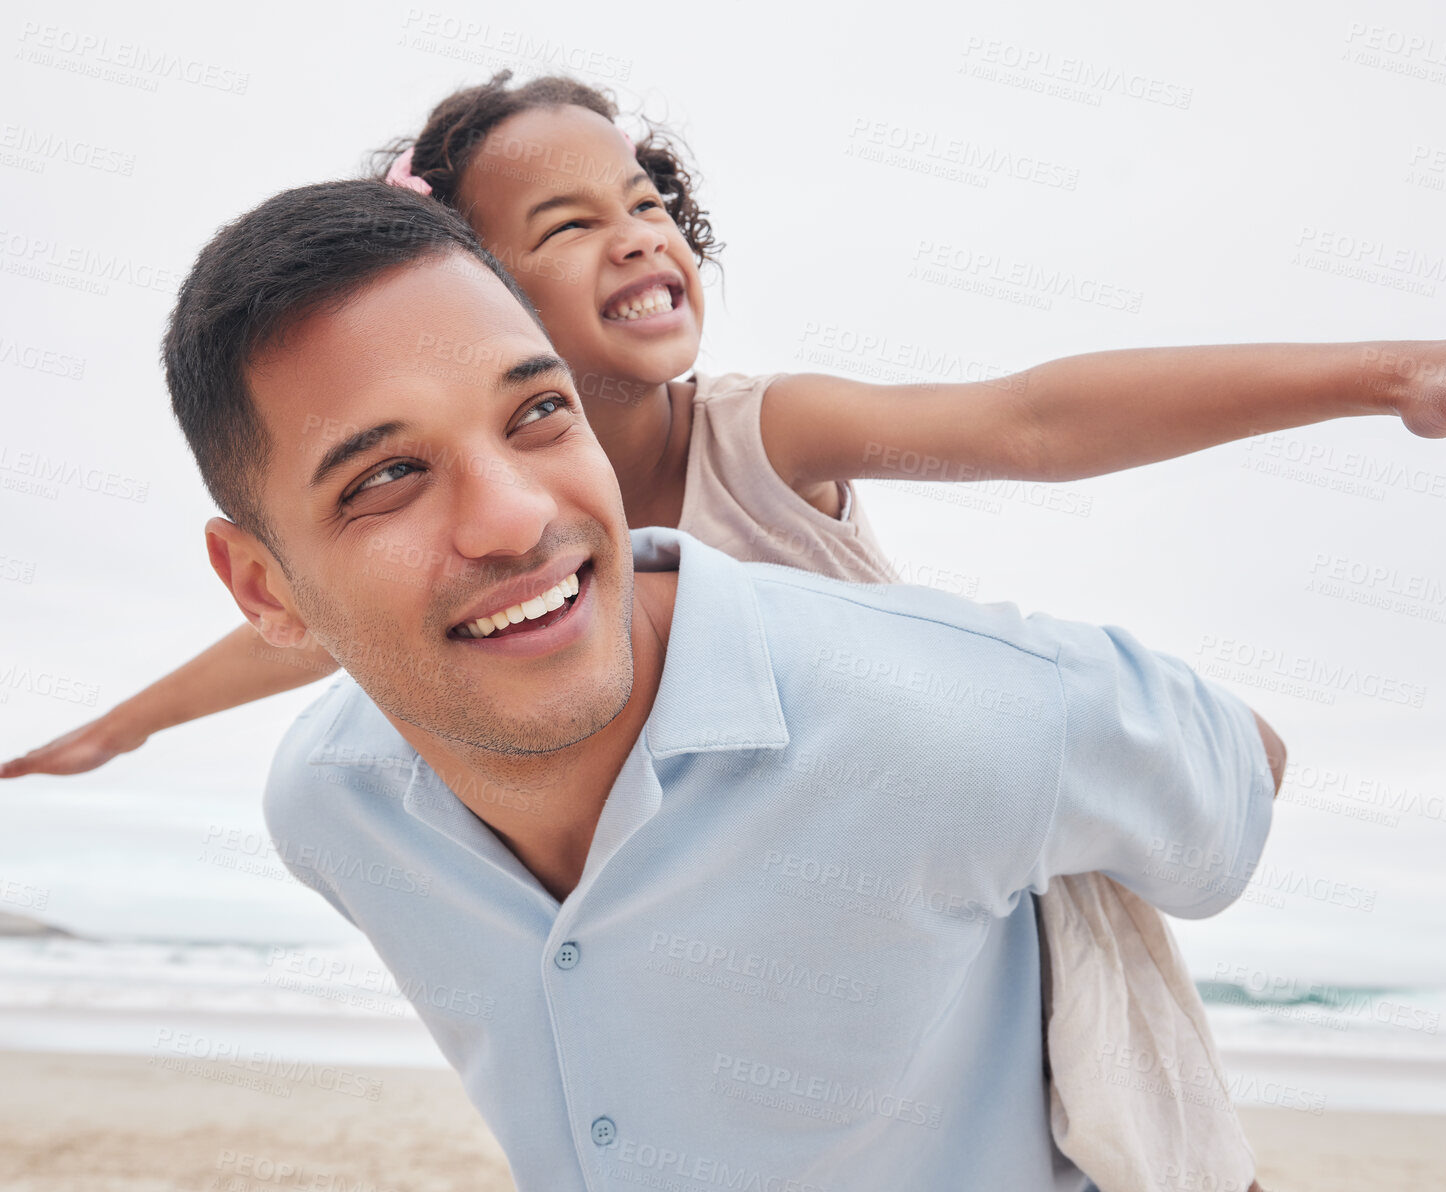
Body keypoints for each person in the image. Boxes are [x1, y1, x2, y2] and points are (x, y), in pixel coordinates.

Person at [8, 71, 1446, 1190]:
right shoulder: (425, 631)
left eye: (644, 191)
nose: (640, 231)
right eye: (566, 222)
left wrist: (1391, 376)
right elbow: (324, 636)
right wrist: (123, 724)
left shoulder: (756, 437)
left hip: (967, 867)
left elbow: (1031, 417)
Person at [165, 176, 1284, 1191]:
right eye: (390, 474)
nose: (514, 516)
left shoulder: (931, 710)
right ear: (265, 586)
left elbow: (1243, 766)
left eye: (539, 413)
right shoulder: (332, 804)